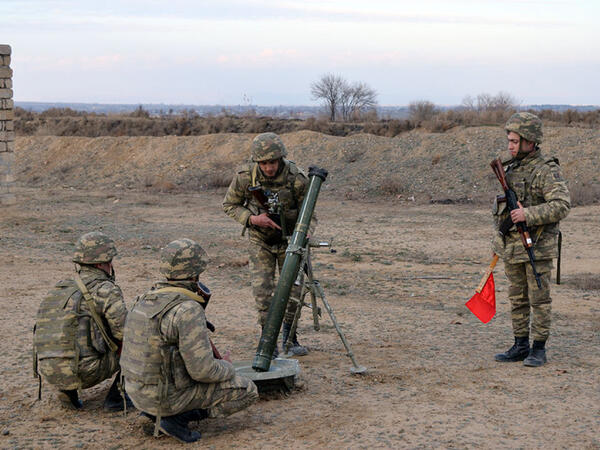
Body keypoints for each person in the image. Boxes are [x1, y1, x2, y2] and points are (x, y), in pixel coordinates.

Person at [120, 238, 258, 443]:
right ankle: (175, 419)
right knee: (247, 390)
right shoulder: (187, 309)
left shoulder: (143, 299)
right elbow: (202, 371)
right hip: (165, 397)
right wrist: (227, 367)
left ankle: (153, 414)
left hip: (136, 394)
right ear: (196, 273)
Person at [223, 132, 316, 356]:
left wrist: (305, 235)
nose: (269, 168)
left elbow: (310, 214)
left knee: (292, 291)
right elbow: (230, 205)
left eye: (272, 162)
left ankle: (290, 338)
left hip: (290, 242)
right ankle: (268, 341)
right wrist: (253, 219)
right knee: (263, 291)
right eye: (263, 163)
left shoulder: (297, 179)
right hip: (260, 240)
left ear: (281, 159)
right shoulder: (246, 177)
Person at [492, 112, 570, 367]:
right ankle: (520, 344)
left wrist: (528, 214)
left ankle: (539, 348)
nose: (510, 146)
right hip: (513, 246)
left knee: (539, 299)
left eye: (515, 141)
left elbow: (561, 205)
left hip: (537, 247)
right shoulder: (511, 168)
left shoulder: (546, 169)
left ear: (530, 141)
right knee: (517, 298)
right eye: (509, 141)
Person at [33, 231, 130, 410]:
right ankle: (118, 398)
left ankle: (67, 391)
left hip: (50, 371)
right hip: (85, 372)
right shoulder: (105, 289)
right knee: (143, 346)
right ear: (102, 262)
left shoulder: (61, 287)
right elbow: (126, 334)